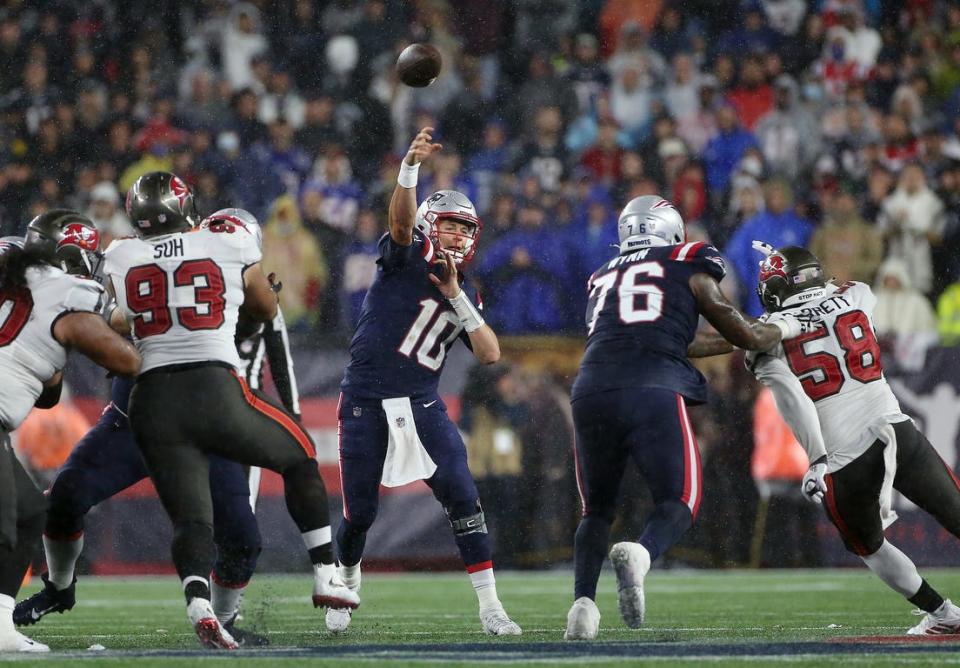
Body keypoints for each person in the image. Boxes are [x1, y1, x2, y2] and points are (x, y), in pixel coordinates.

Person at [14, 208, 298, 647]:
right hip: (132, 421)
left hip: (204, 427)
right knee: (65, 497)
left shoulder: (222, 287)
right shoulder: (124, 266)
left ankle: (223, 619)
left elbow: (261, 333)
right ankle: (59, 588)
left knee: (242, 537)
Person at [101, 172, 357, 649]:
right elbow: (264, 308)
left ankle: (200, 603)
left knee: (194, 520)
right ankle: (325, 571)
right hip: (214, 389)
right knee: (299, 455)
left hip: (152, 402)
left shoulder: (119, 254)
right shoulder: (226, 243)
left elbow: (117, 320)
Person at [564, 196, 808, 641]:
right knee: (680, 500)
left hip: (591, 387)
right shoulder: (687, 256)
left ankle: (582, 606)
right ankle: (642, 553)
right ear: (670, 228)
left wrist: (736, 341)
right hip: (652, 385)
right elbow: (733, 323)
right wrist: (773, 330)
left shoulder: (602, 276)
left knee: (596, 510)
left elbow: (663, 335)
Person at [331, 128, 520, 637]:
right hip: (366, 398)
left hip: (420, 401)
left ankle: (490, 607)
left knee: (462, 494)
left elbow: (491, 353)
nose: (458, 237)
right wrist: (410, 169)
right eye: (450, 227)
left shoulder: (467, 291)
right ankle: (347, 579)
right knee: (360, 511)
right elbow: (398, 221)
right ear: (429, 227)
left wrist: (457, 295)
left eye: (465, 230)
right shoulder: (405, 256)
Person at [745, 244, 960, 635]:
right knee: (957, 511)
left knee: (867, 545)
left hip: (846, 459)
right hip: (897, 430)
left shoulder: (768, 335)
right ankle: (943, 615)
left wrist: (816, 458)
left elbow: (793, 399)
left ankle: (943, 613)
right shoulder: (858, 293)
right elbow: (827, 308)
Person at [0, 213, 141, 652]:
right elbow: (122, 358)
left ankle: (1, 624)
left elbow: (44, 394)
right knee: (5, 525)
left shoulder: (11, 262)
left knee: (26, 513)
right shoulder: (69, 290)